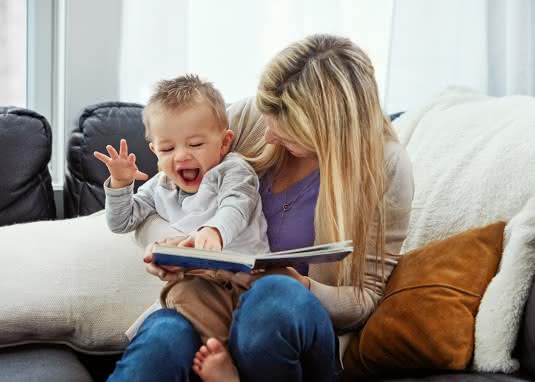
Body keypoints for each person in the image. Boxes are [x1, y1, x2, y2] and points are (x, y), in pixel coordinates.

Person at [107, 34, 414, 382]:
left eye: (287, 133)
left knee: (273, 295)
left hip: (295, 324)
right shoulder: (255, 114)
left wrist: (303, 286)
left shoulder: (385, 167)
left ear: (328, 128)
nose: (266, 137)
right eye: (267, 119)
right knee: (164, 334)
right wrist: (180, 246)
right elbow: (155, 201)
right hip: (214, 300)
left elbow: (365, 299)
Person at [94, 74, 270, 345]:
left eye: (196, 144)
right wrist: (120, 183)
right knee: (172, 306)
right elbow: (122, 222)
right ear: (154, 151)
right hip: (199, 283)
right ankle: (218, 356)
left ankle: (226, 360)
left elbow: (237, 205)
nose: (181, 156)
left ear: (224, 143)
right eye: (167, 148)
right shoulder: (159, 186)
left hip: (247, 282)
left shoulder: (233, 169)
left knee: (188, 303)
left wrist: (214, 231)